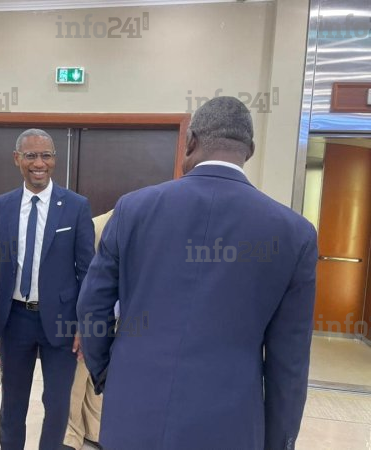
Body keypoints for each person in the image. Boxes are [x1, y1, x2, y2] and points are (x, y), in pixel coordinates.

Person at [77, 97, 318, 450]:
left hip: (133, 412)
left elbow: (92, 308)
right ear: (249, 151)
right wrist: (280, 440)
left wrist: (108, 376)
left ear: (190, 141)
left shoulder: (133, 209)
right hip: (229, 426)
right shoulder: (295, 233)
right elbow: (290, 361)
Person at [0, 129, 95, 450]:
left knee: (57, 406)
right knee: (13, 405)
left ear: (54, 159)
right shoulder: (4, 205)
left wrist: (86, 324)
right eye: (31, 156)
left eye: (46, 155)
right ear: (17, 159)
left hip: (62, 322)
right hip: (15, 320)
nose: (39, 163)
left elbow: (88, 271)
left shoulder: (75, 206)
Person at [63, 209, 113, 450]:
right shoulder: (97, 227)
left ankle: (94, 427)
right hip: (87, 307)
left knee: (99, 369)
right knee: (78, 368)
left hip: (115, 310)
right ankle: (70, 432)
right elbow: (82, 277)